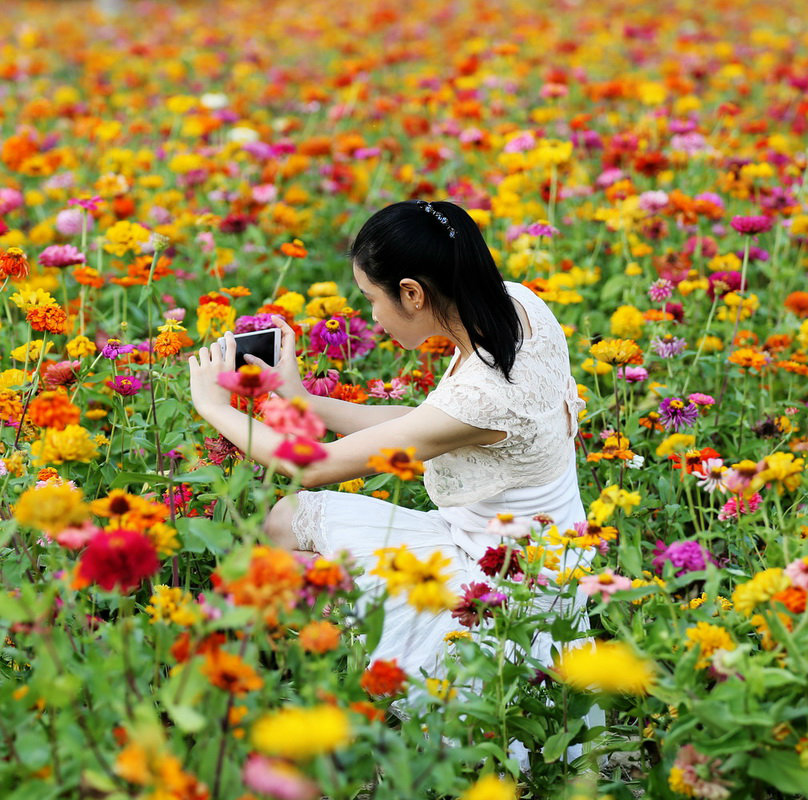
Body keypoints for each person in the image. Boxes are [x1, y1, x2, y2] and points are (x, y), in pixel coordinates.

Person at [187, 199, 588, 691]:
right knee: (284, 521)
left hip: (503, 589)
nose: (371, 315)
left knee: (283, 572)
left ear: (412, 294)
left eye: (371, 299)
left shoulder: (488, 396)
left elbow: (312, 468)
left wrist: (214, 406)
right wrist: (305, 400)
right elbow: (425, 423)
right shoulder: (519, 305)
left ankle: (348, 673)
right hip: (537, 550)